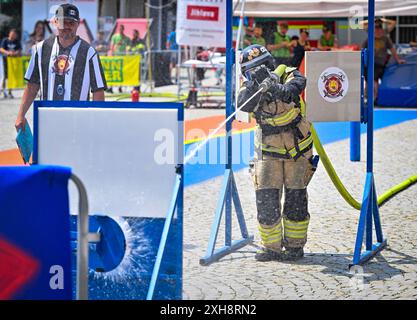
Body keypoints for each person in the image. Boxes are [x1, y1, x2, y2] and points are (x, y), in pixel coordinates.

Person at [237, 44, 317, 262]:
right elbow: (242, 105)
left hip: (297, 151)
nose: (255, 72)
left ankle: (294, 247)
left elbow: (295, 89)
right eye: (251, 70)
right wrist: (256, 86)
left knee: (296, 200)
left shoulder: (289, 73)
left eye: (259, 67)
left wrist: (274, 86)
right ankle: (271, 247)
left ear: (269, 63)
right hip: (268, 153)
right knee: (266, 201)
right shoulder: (249, 87)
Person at [15, 3, 107, 133]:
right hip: (47, 121)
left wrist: (97, 122)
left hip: (78, 123)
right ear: (55, 22)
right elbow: (32, 85)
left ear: (78, 24)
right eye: (64, 22)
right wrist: (20, 115)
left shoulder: (89, 52)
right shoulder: (40, 49)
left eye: (71, 22)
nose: (67, 26)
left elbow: (98, 90)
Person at [362, 20, 405, 102]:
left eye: (379, 29)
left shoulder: (385, 38)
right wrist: (371, 20)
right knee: (368, 80)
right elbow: (361, 25)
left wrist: (398, 60)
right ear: (373, 30)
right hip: (369, 63)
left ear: (382, 30)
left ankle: (375, 97)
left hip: (379, 63)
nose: (378, 31)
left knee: (375, 80)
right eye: (376, 29)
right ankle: (367, 96)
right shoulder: (370, 38)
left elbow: (392, 50)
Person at [0, 29, 22, 99]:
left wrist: (15, 53)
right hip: (5, 61)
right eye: (12, 34)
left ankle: (10, 92)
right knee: (3, 77)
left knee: (11, 77)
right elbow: (1, 49)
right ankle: (2, 91)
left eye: (14, 35)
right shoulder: (5, 40)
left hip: (13, 62)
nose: (13, 36)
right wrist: (7, 52)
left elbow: (19, 49)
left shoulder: (17, 42)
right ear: (9, 34)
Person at [110, 24, 130, 93]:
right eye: (120, 29)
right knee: (114, 72)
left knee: (121, 72)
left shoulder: (127, 38)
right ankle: (111, 87)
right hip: (116, 57)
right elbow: (112, 46)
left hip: (123, 57)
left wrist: (127, 54)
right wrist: (112, 53)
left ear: (123, 29)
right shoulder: (115, 37)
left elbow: (128, 47)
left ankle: (120, 87)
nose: (121, 30)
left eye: (122, 29)